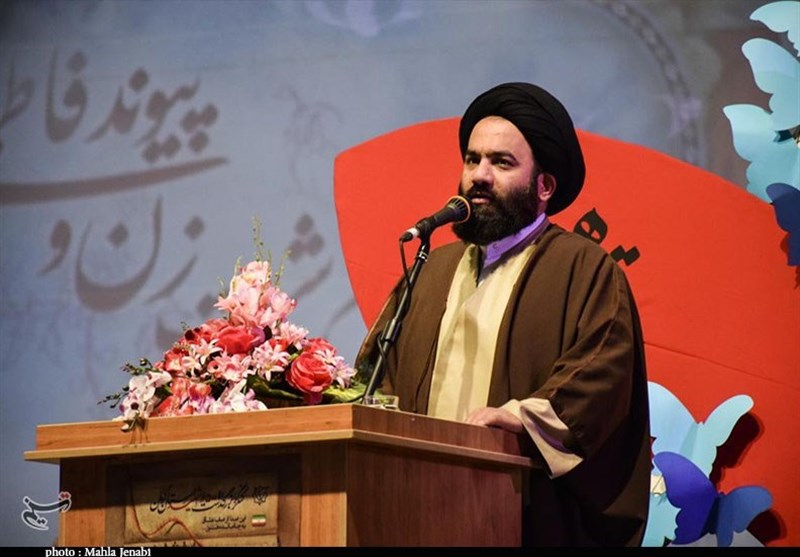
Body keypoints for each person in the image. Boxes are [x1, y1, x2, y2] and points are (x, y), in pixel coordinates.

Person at [355, 82, 650, 546]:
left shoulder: (584, 268)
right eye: (472, 159)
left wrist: (522, 418)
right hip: (415, 512)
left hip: (518, 518)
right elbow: (376, 381)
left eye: (501, 162)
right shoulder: (431, 270)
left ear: (544, 186)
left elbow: (601, 374)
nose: (479, 176)